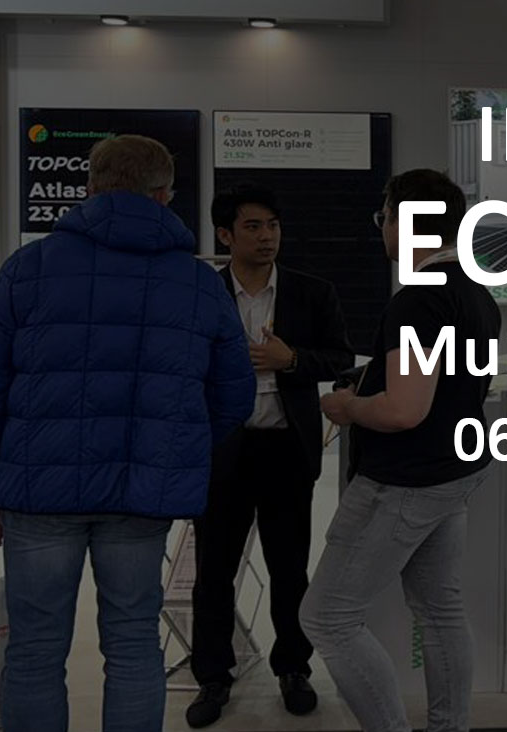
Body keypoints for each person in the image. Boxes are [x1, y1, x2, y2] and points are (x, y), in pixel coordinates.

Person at [0, 135, 255, 732]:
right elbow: (233, 396)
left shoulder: (28, 268)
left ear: (88, 190)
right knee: (135, 643)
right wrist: (171, 446)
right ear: (165, 196)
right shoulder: (197, 283)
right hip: (141, 494)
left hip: (37, 492)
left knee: (34, 651)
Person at [305, 168, 501, 732]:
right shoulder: (474, 294)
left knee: (328, 618)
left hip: (404, 481)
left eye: (385, 216)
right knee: (440, 610)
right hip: (451, 473)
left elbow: (404, 410)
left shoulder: (418, 300)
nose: (382, 228)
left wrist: (349, 407)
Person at [187, 185, 355, 728]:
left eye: (273, 226)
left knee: (289, 568)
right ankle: (213, 676)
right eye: (253, 226)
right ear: (225, 234)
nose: (267, 237)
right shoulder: (201, 294)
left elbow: (340, 357)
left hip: (286, 449)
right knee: (214, 571)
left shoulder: (311, 292)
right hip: (224, 450)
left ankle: (294, 668)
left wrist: (292, 359)